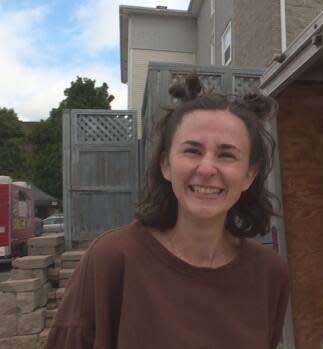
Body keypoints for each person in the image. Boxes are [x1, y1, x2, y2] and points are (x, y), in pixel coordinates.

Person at [46, 75, 289, 349]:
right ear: (166, 165)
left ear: (249, 175)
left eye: (226, 155)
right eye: (192, 151)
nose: (207, 169)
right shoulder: (112, 260)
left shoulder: (270, 274)